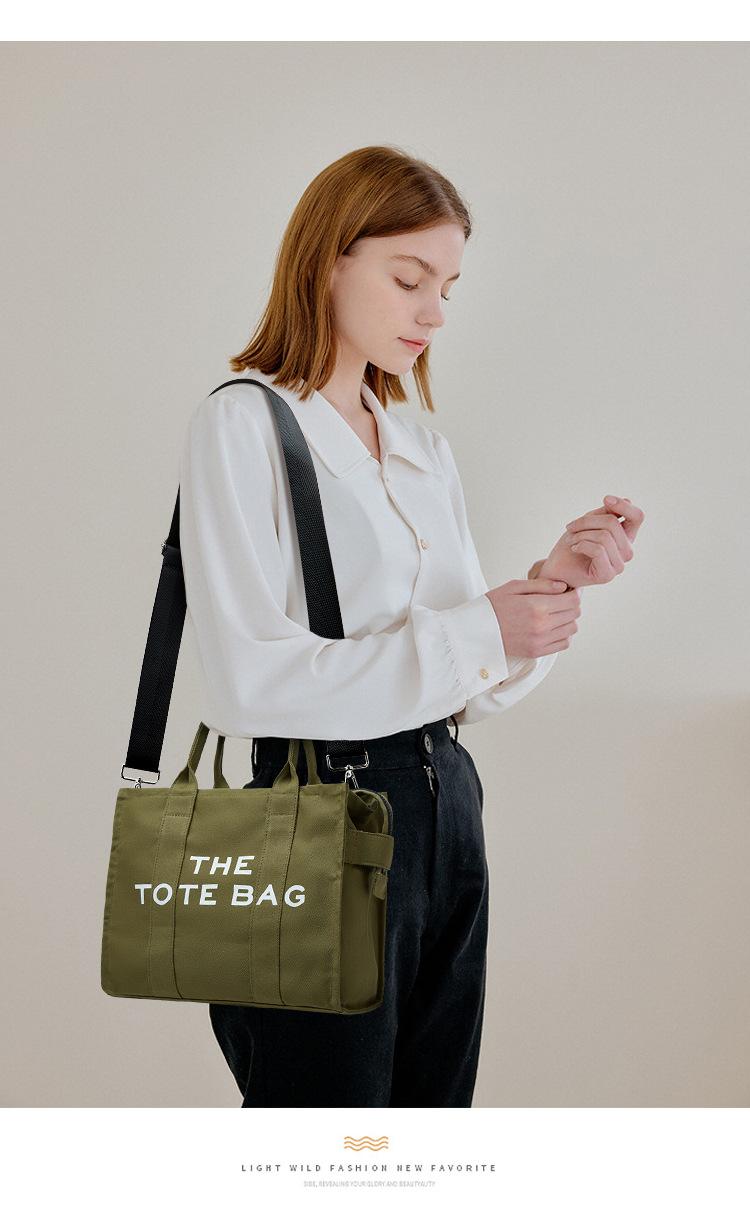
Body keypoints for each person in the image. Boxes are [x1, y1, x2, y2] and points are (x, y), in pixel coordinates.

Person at [178, 145, 644, 1108]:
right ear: (328, 258)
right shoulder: (245, 426)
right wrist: (479, 630)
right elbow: (249, 679)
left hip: (448, 806)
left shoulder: (423, 447)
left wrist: (552, 584)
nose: (434, 312)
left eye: (448, 288)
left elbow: (467, 680)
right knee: (323, 1141)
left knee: (428, 1137)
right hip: (318, 813)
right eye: (409, 278)